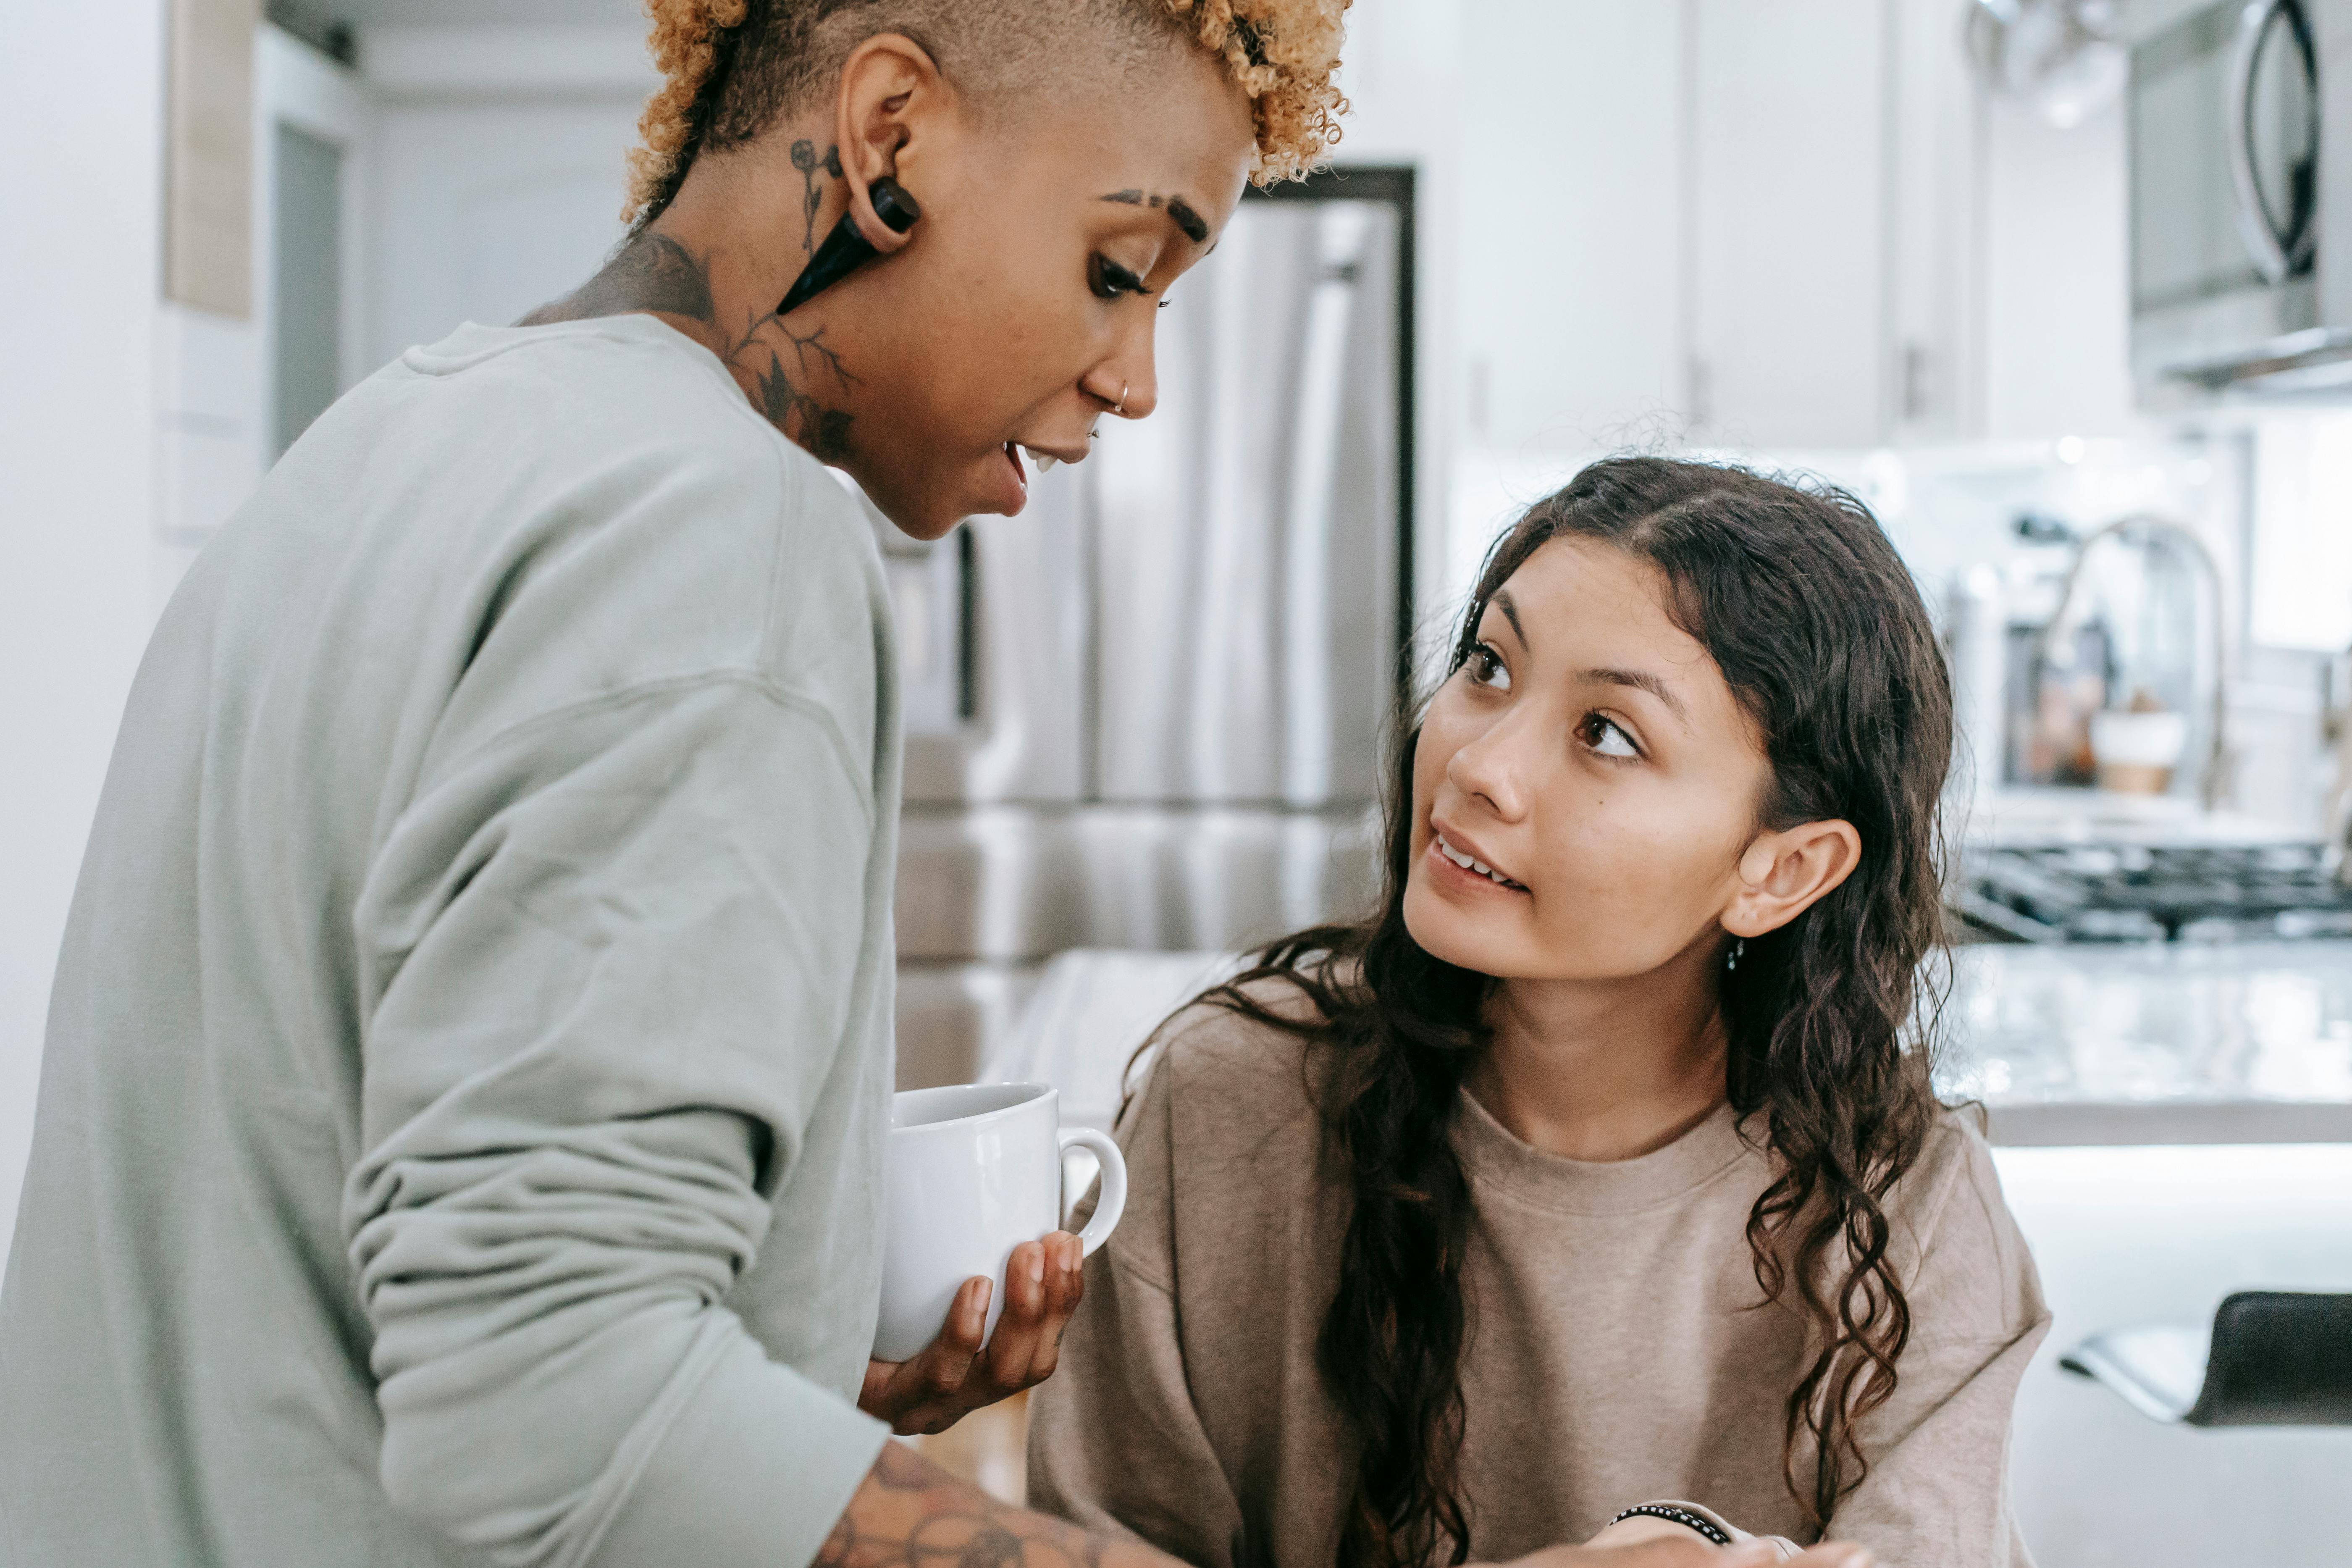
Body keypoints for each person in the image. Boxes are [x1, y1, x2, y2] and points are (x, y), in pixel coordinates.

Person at [0, 4, 1344, 1567]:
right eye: (1119, 272)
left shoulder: (381, 448)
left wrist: (767, 1376)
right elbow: (544, 1405)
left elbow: (341, 1265)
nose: (1137, 382)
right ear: (890, 136)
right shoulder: (724, 534)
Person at [1029, 458, 2050, 1568]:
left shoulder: (1913, 1213)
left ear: (1784, 869)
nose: (1479, 762)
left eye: (1607, 732)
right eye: (1489, 667)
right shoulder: (1227, 1099)